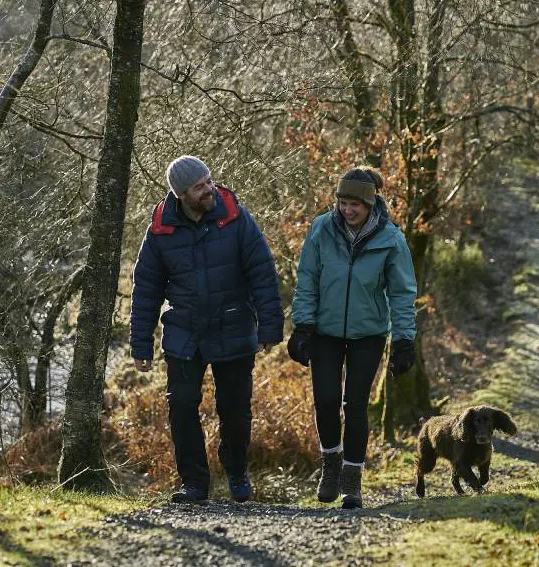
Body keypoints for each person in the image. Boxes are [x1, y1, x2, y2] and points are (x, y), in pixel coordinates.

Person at [130, 155, 284, 504]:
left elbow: (262, 270)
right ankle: (194, 484)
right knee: (181, 405)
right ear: (181, 194)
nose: (209, 189)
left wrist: (270, 327)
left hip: (234, 324)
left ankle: (236, 472)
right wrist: (141, 345)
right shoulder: (160, 230)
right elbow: (146, 289)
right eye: (199, 186)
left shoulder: (235, 217)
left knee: (235, 409)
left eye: (209, 181)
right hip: (184, 331)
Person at [287, 166, 417, 509]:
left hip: (369, 334)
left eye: (354, 205)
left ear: (370, 203)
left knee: (356, 405)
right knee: (326, 401)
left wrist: (404, 340)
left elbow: (403, 293)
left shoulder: (392, 239)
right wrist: (302, 326)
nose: (347, 210)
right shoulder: (321, 230)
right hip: (325, 331)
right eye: (342, 203)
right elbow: (307, 280)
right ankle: (331, 464)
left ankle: (352, 480)